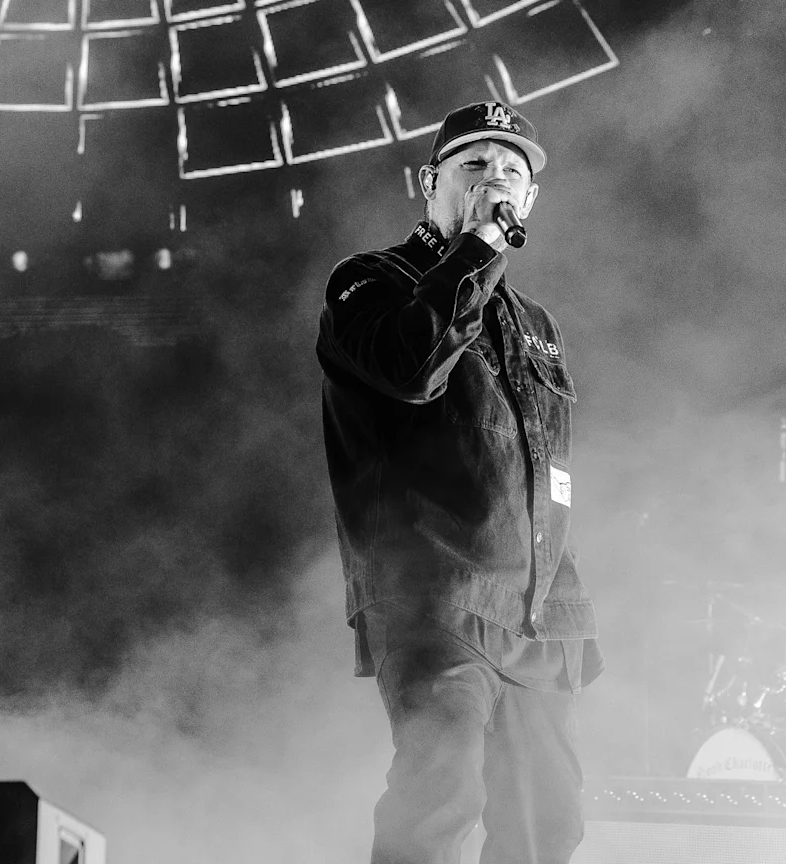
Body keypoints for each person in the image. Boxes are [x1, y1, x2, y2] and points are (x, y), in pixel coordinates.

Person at [315, 102, 603, 864]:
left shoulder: (536, 320)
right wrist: (476, 245)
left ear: (532, 200)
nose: (496, 180)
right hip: (435, 592)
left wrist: (566, 599)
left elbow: (548, 467)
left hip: (537, 614)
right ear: (429, 182)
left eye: (513, 171)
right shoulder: (369, 283)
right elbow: (411, 370)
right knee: (440, 800)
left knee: (548, 825)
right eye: (474, 164)